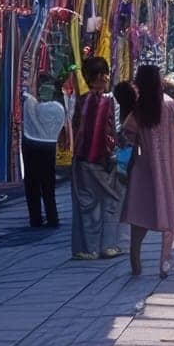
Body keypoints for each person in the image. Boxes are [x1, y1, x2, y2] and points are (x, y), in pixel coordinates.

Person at [120, 63, 174, 277]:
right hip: (168, 165)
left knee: (139, 213)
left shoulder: (139, 108)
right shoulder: (171, 105)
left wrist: (141, 145)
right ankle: (164, 261)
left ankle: (135, 260)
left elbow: (127, 131)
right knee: (169, 213)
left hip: (143, 165)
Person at [69, 56, 123, 260]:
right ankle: (108, 245)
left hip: (84, 159)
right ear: (97, 76)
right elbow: (115, 130)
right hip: (105, 160)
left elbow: (75, 127)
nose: (105, 77)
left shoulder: (79, 100)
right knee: (110, 202)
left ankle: (88, 248)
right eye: (103, 74)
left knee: (87, 204)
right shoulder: (111, 102)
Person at [21, 76, 66, 230]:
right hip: (48, 147)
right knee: (48, 185)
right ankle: (52, 217)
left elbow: (29, 107)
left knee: (32, 184)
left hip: (32, 144)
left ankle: (36, 219)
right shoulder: (59, 107)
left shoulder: (32, 104)